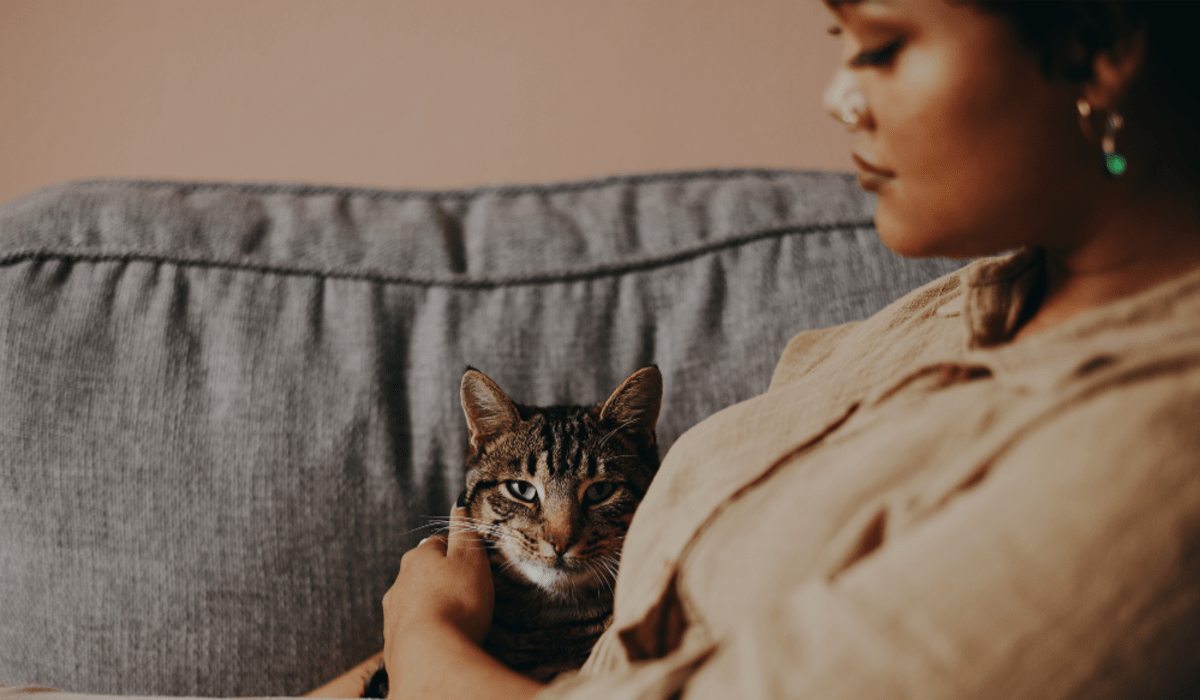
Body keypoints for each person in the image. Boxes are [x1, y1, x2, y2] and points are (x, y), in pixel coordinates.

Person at [320, 1, 1200, 697]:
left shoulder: (1149, 460)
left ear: (1094, 48)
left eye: (881, 45)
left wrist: (426, 636)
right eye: (837, 38)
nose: (836, 97)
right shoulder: (959, 311)